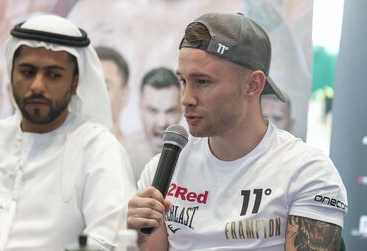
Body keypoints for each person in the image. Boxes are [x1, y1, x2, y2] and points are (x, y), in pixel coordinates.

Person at [127, 12, 347, 250]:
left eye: (202, 82)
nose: (186, 98)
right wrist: (138, 238)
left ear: (253, 85)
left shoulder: (306, 172)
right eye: (183, 81)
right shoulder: (162, 170)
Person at [0, 14, 135, 251]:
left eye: (54, 75)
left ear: (75, 82)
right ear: (12, 74)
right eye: (27, 72)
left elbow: (108, 242)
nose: (37, 85)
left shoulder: (97, 148)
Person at [123, 67, 182, 182]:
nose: (162, 123)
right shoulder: (123, 155)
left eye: (170, 111)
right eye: (153, 111)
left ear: (181, 110)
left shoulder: (195, 155)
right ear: (140, 108)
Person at [95, 46, 129, 139]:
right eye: (90, 87)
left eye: (105, 88)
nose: (95, 97)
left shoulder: (135, 153)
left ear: (124, 95)